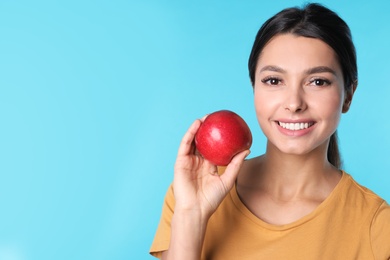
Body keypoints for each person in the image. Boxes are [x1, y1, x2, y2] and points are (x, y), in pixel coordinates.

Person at [150, 3, 390, 259]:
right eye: (274, 81)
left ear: (348, 96)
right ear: (254, 88)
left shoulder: (376, 225)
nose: (294, 103)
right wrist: (191, 216)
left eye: (318, 81)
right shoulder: (193, 193)